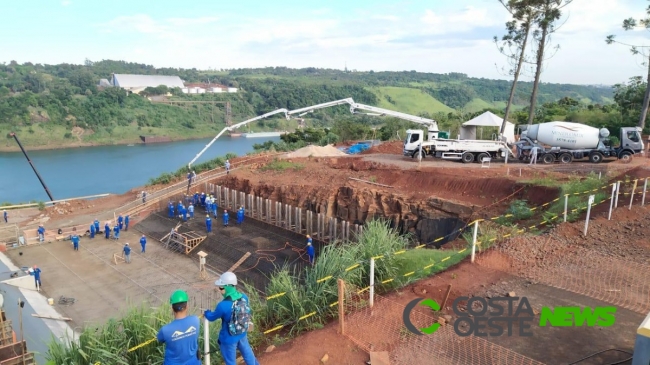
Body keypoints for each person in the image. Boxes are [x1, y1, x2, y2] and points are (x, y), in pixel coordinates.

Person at [204, 272, 259, 365]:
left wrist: (206, 312)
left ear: (227, 287)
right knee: (248, 354)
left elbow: (211, 317)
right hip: (242, 332)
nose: (220, 290)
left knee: (230, 361)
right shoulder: (244, 297)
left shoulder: (223, 305)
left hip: (228, 338)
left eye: (221, 288)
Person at [158, 290, 201, 365]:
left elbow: (160, 339)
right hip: (194, 362)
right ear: (187, 306)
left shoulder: (165, 330)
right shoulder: (195, 320)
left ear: (172, 308)